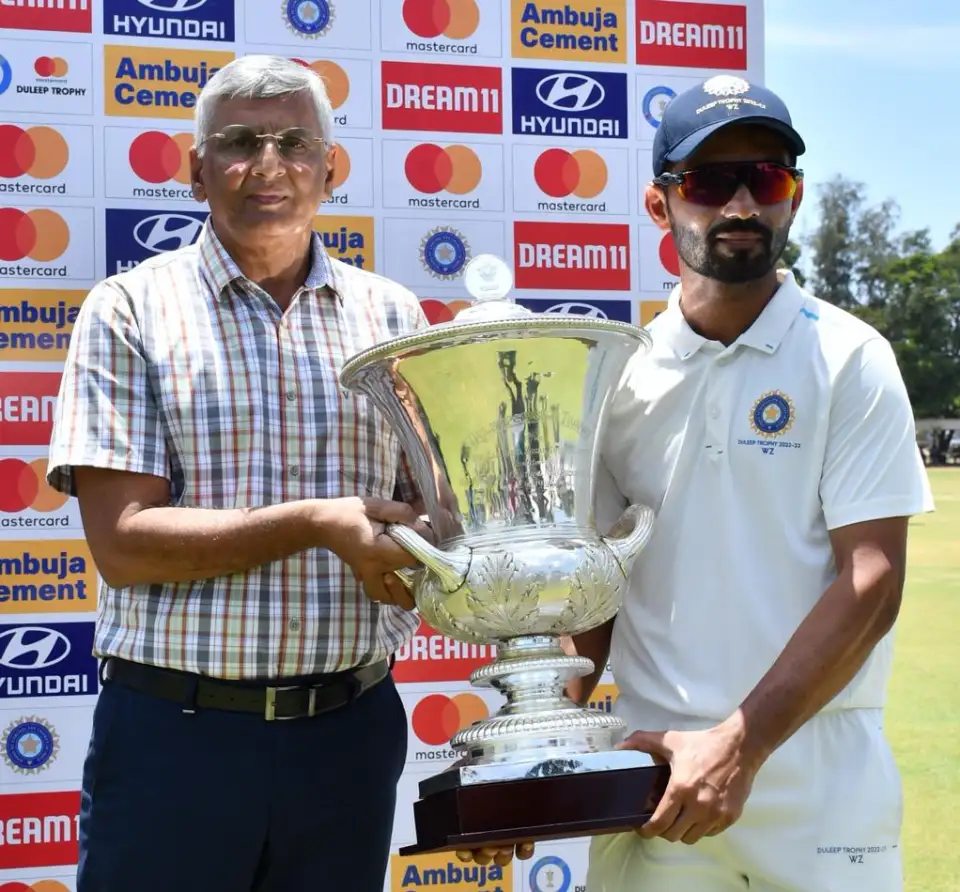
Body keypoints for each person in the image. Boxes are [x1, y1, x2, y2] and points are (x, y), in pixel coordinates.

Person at [463, 77, 935, 889]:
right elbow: (593, 595)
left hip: (817, 773)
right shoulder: (615, 374)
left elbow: (874, 577)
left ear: (795, 198)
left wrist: (741, 746)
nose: (743, 204)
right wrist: (530, 766)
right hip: (654, 776)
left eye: (769, 179)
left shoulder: (851, 356)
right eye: (713, 183)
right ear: (661, 204)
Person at [47, 55, 433, 892]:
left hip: (349, 735)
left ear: (332, 168)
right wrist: (315, 523)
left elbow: (430, 516)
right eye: (238, 142)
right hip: (175, 740)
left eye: (295, 141)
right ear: (196, 170)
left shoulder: (393, 317)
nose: (268, 164)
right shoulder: (129, 309)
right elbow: (123, 545)